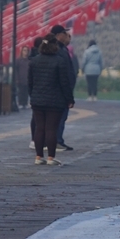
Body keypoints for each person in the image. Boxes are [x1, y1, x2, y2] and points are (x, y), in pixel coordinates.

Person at [28, 33, 74, 165]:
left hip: (37, 100)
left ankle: (38, 156)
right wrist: (69, 99)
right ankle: (51, 157)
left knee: (40, 128)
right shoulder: (59, 61)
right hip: (55, 101)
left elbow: (30, 82)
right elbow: (64, 83)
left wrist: (33, 95)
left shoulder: (34, 61)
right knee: (51, 129)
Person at [51, 25, 77, 151]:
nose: (67, 37)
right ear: (58, 35)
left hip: (63, 89)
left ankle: (58, 139)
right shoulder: (57, 49)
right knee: (59, 117)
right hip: (60, 90)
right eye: (64, 34)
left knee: (62, 116)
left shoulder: (63, 49)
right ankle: (56, 140)